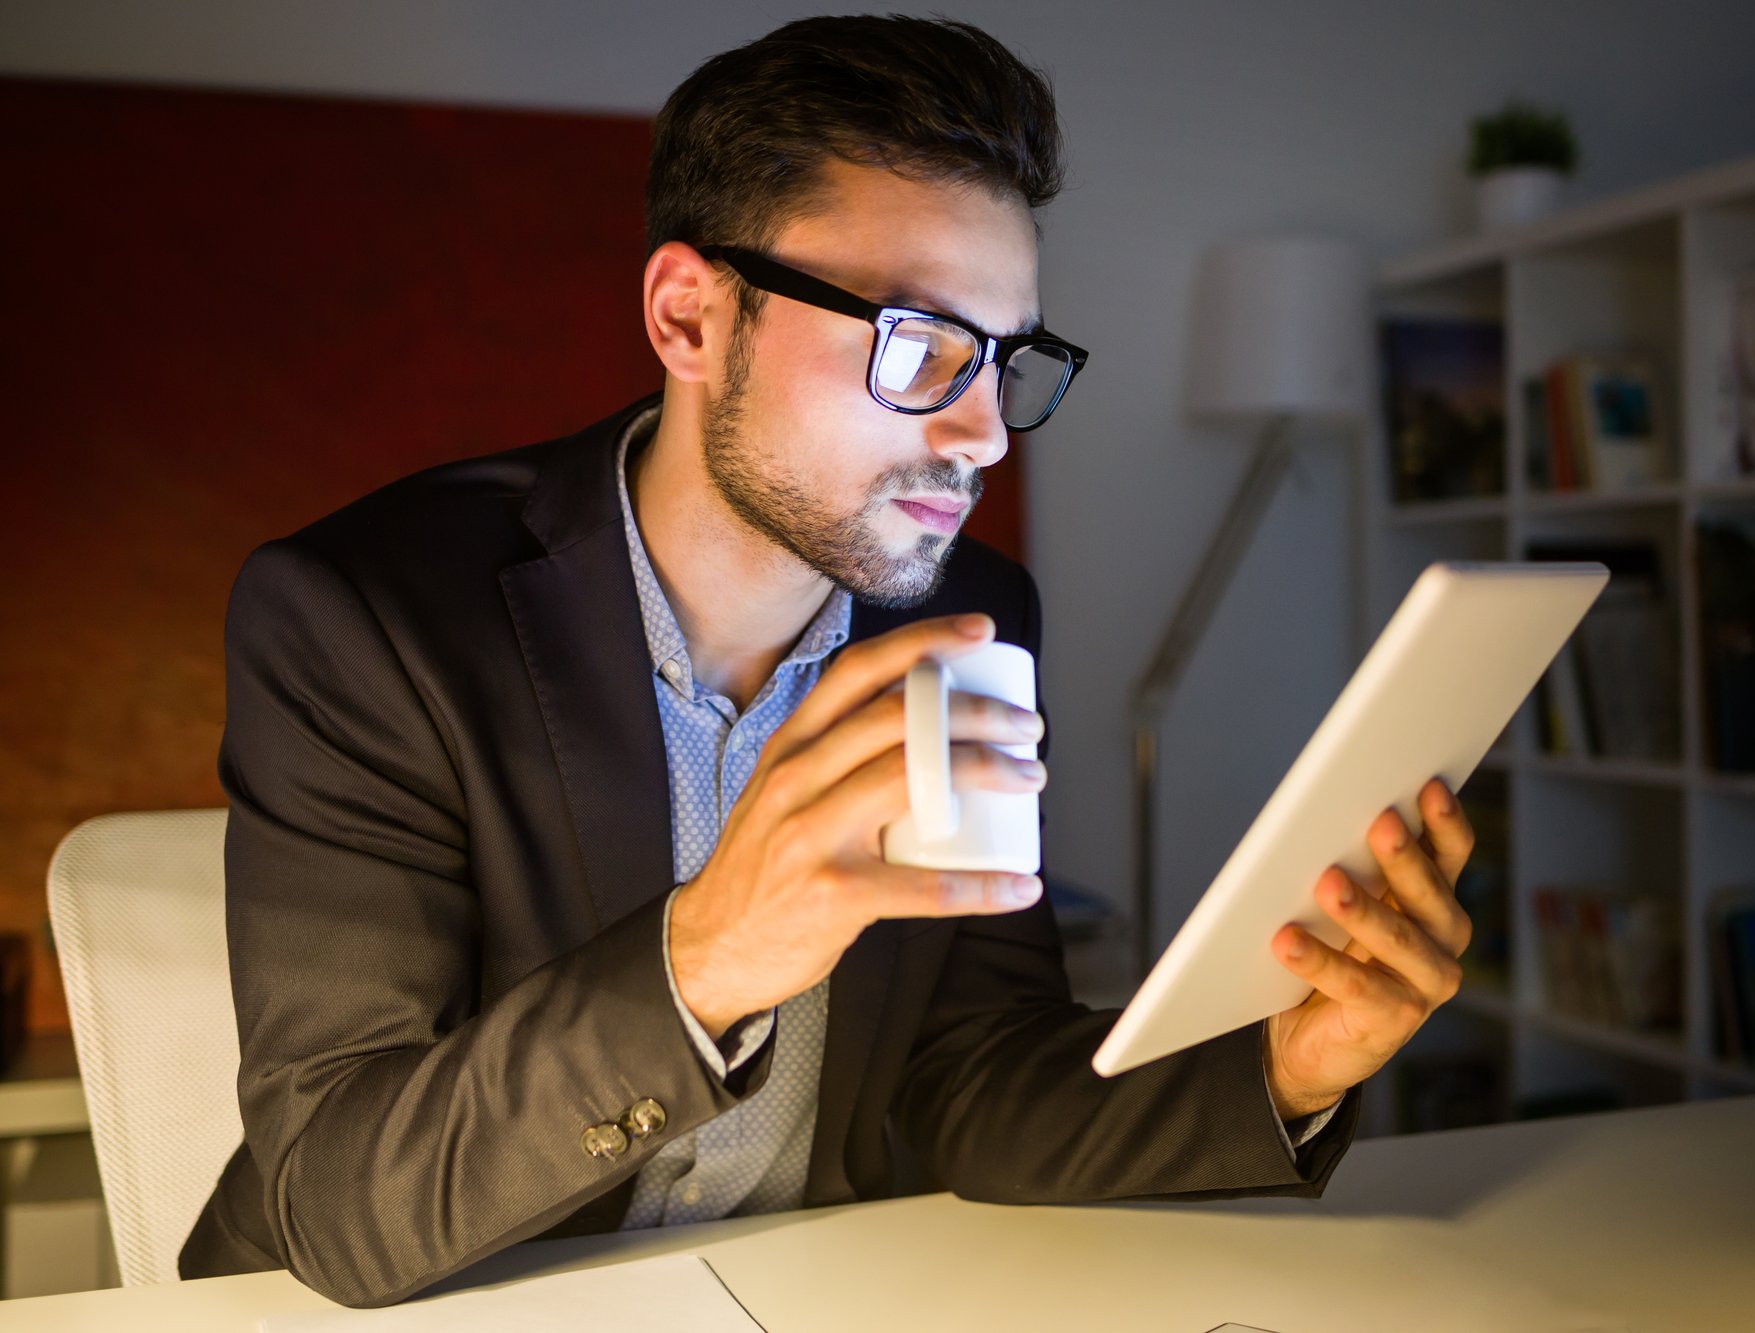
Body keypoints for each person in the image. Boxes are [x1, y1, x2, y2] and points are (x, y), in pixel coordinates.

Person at [179, 14, 1475, 1308]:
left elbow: (972, 1077)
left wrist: (1289, 1066)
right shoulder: (365, 615)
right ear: (691, 316)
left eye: (1006, 360)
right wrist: (706, 959)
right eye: (918, 345)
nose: (983, 437)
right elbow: (338, 1199)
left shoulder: (968, 613)